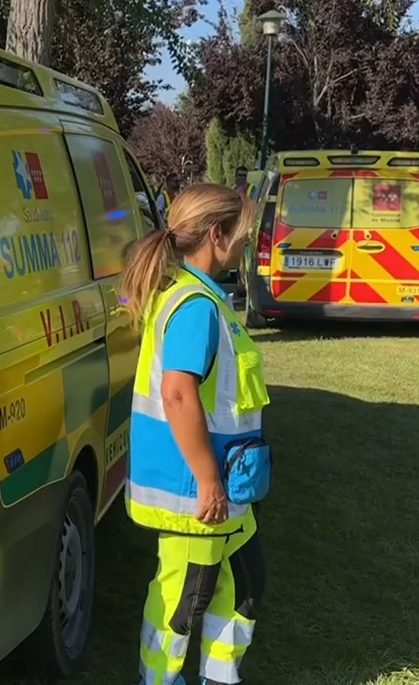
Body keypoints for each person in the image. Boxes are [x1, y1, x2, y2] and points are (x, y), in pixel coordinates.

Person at [120, 183, 271, 685]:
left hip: (225, 491)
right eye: (242, 236)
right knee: (182, 603)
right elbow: (178, 394)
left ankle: (219, 678)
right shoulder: (195, 307)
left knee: (245, 584)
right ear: (216, 234)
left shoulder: (201, 296)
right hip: (198, 495)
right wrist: (207, 479)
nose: (246, 245)